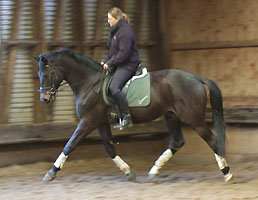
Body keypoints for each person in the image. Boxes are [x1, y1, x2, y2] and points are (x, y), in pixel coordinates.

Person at [101, 7, 141, 130]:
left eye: (109, 19)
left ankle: (126, 116)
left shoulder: (124, 32)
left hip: (129, 64)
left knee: (113, 87)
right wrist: (106, 61)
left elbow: (124, 54)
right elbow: (114, 52)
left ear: (117, 19)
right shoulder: (116, 31)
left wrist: (111, 63)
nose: (108, 21)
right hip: (121, 63)